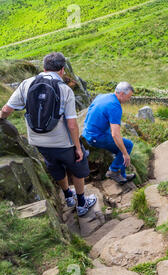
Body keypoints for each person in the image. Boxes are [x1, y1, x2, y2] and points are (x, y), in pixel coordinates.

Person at [0, 52, 97, 217]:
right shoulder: (64, 90)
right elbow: (72, 124)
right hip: (63, 142)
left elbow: (6, 110)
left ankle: (68, 197)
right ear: (62, 70)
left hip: (38, 141)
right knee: (77, 167)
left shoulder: (26, 84)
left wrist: (1, 118)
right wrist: (77, 147)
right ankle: (81, 203)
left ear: (44, 68)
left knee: (54, 166)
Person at [82, 82, 136, 185]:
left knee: (121, 146)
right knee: (128, 145)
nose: (129, 100)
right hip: (96, 137)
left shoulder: (102, 96)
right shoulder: (115, 106)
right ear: (121, 94)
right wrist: (125, 154)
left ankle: (122, 175)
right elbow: (115, 134)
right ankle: (114, 171)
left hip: (88, 132)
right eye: (128, 97)